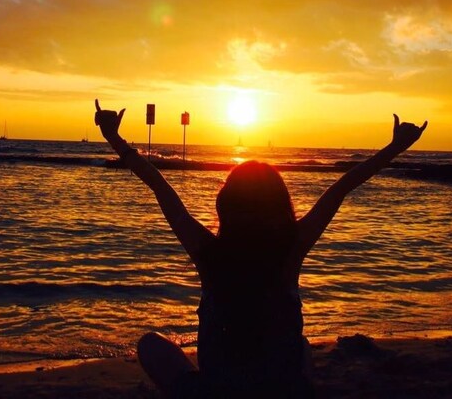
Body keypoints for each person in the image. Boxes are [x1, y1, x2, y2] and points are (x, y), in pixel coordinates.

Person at [95, 100, 427, 398]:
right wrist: (395, 148)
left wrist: (114, 138)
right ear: (280, 203)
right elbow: (342, 187)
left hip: (216, 392)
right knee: (301, 347)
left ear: (226, 203)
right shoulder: (291, 248)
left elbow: (159, 185)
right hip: (283, 390)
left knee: (150, 345)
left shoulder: (209, 253)